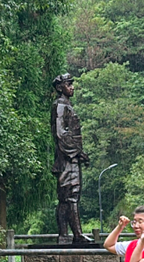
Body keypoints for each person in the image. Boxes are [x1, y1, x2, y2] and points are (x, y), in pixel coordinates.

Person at [51, 73, 91, 243]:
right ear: (61, 87)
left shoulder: (65, 106)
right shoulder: (60, 106)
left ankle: (64, 235)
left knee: (65, 197)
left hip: (68, 157)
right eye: (69, 84)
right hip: (68, 158)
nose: (72, 87)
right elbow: (61, 133)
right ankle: (76, 234)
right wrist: (77, 152)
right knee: (71, 195)